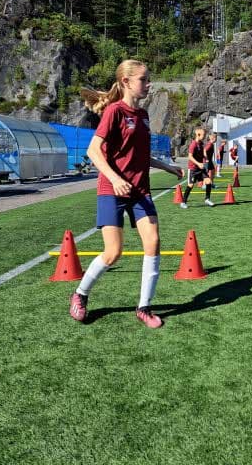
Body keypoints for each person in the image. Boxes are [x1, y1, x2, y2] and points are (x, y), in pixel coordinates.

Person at [72, 59, 183, 329]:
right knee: (113, 252)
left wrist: (167, 167)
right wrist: (114, 178)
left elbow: (140, 156)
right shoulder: (114, 112)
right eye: (143, 79)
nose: (148, 84)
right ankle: (80, 294)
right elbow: (93, 151)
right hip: (112, 189)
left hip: (139, 190)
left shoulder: (143, 116)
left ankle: (144, 307)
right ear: (126, 82)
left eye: (148, 79)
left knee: (153, 242)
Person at [180, 127, 214, 209]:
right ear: (198, 135)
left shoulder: (201, 144)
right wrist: (198, 163)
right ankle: (183, 202)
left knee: (208, 181)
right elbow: (190, 157)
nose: (205, 136)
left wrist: (205, 158)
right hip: (193, 169)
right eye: (203, 135)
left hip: (200, 168)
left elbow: (202, 153)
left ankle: (207, 199)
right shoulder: (193, 144)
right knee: (190, 185)